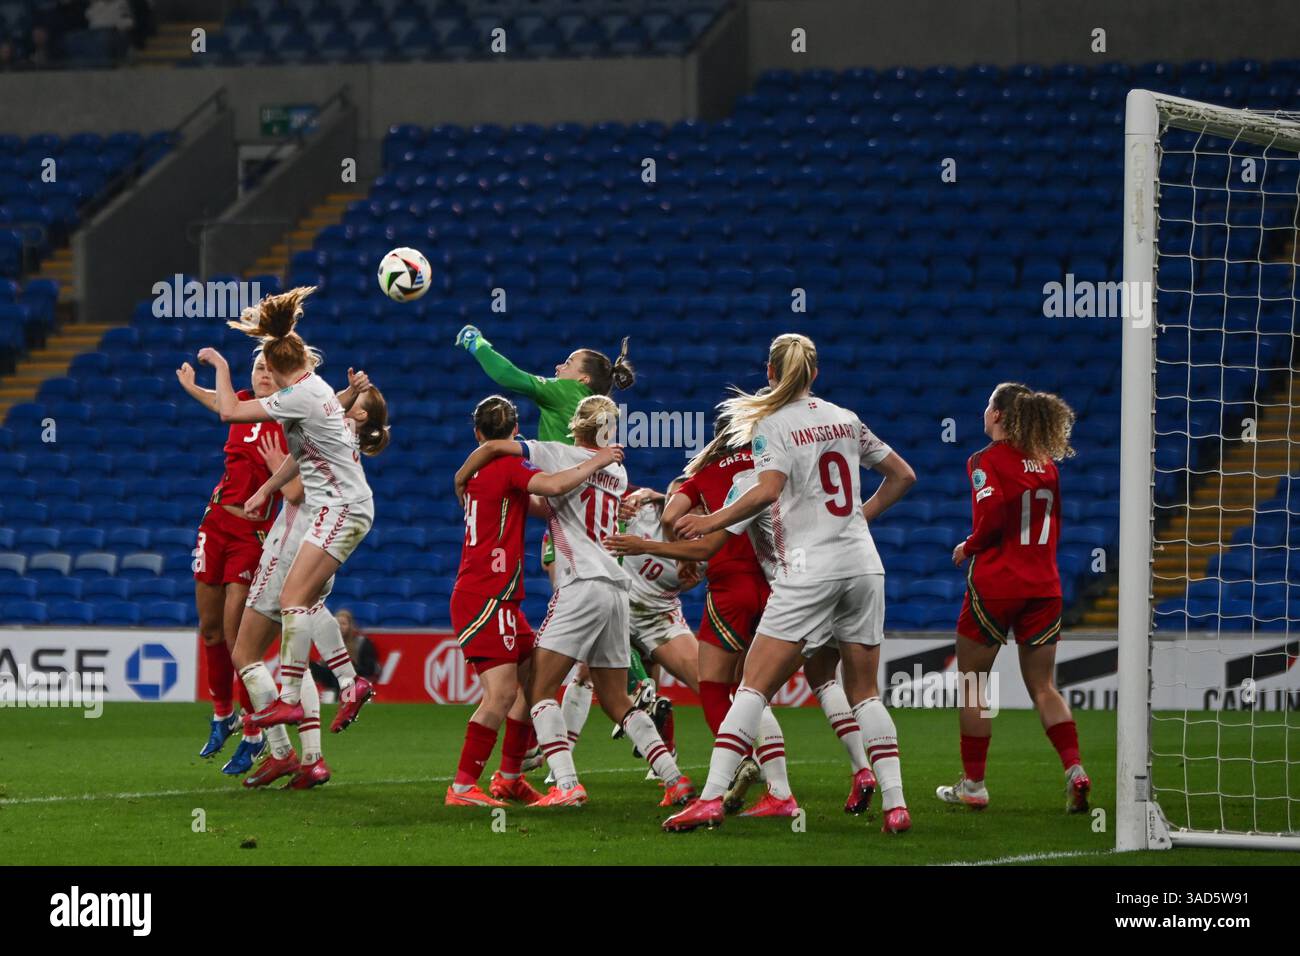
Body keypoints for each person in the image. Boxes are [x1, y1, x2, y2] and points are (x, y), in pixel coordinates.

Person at [661, 333, 916, 833]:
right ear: (815, 374)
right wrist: (860, 519)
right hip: (864, 566)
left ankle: (711, 799)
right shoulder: (846, 418)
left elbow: (767, 490)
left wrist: (713, 522)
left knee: (751, 687)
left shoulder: (771, 425)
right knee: (864, 693)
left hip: (808, 570)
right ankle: (896, 804)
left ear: (771, 373)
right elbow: (903, 475)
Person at [454, 396, 693, 808]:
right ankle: (674, 778)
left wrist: (461, 476)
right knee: (617, 698)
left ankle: (565, 785)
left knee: (540, 688)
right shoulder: (618, 470)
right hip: (618, 589)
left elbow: (516, 460)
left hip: (581, 583)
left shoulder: (559, 454)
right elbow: (550, 504)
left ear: (575, 426)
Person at [199, 288, 388, 759]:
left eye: (265, 369)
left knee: (291, 601)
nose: (262, 377)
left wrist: (222, 370)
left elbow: (228, 412)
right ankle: (346, 684)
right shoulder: (316, 388)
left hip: (338, 508)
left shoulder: (298, 395)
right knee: (298, 603)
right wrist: (267, 488)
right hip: (339, 507)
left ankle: (294, 699)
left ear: (279, 368)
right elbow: (303, 454)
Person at [447, 394, 624, 808]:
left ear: (476, 433)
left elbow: (552, 505)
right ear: (516, 432)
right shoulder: (508, 466)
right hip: (486, 594)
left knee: (533, 680)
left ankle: (509, 779)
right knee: (501, 694)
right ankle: (461, 787)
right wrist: (599, 461)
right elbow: (556, 484)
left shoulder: (483, 474)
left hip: (497, 595)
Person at [938, 382, 1091, 814]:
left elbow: (992, 517)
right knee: (1043, 686)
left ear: (1000, 415)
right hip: (1044, 587)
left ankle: (974, 785)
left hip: (998, 586)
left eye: (988, 405)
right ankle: (1075, 770)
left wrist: (967, 546)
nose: (983, 412)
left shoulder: (984, 461)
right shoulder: (1047, 465)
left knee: (973, 686)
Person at [176, 349, 285, 771]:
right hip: (216, 521)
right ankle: (222, 714)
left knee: (237, 635)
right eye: (258, 366)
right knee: (209, 629)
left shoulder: (288, 415)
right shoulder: (239, 403)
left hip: (251, 534)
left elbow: (331, 411)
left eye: (271, 370)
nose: (262, 374)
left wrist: (353, 395)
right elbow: (220, 404)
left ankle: (254, 731)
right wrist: (192, 388)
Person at [309, 608, 379, 695]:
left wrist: (349, 666)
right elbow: (323, 670)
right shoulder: (329, 643)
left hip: (354, 680)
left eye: (343, 624)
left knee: (342, 671)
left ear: (350, 626)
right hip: (333, 680)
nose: (340, 627)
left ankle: (347, 699)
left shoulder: (362, 642)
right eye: (337, 624)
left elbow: (369, 669)